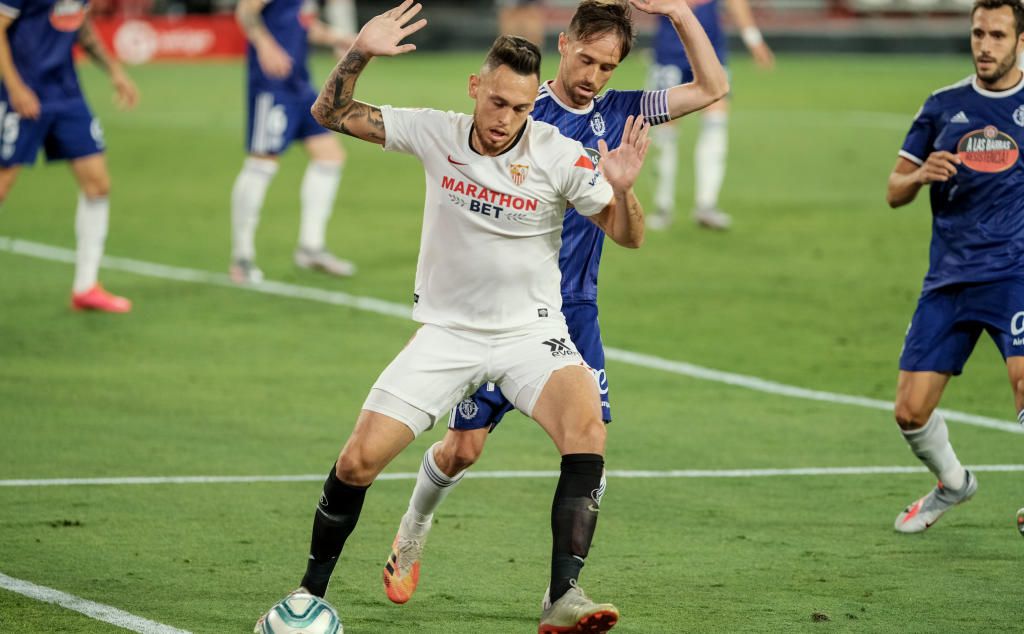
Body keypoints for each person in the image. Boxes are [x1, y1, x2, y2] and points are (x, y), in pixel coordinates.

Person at [255, 2, 653, 632]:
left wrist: (624, 189)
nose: (505, 120)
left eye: (519, 108)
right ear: (475, 88)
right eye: (497, 103)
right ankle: (308, 595)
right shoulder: (435, 132)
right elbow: (329, 113)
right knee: (357, 462)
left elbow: (628, 235)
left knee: (588, 432)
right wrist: (359, 52)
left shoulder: (558, 153)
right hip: (448, 336)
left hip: (533, 335)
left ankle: (563, 596)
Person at [381, 0, 728, 612]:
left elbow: (712, 87)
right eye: (586, 59)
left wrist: (677, 11)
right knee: (463, 449)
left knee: (588, 444)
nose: (594, 76)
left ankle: (562, 590)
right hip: (498, 312)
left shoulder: (620, 113)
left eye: (608, 67)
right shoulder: (522, 113)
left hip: (576, 311)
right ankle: (413, 529)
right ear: (563, 44)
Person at [886, 0, 1024, 534]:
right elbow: (894, 190)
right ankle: (953, 483)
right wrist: (920, 176)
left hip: (1014, 272)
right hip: (949, 278)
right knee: (909, 411)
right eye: (978, 33)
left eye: (997, 35)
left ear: (1020, 42)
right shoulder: (942, 106)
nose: (985, 46)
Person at [0, 0, 138, 312]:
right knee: (2, 185)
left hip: (66, 94)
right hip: (23, 93)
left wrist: (114, 71)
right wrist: (15, 87)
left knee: (98, 185)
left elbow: (82, 26)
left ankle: (86, 287)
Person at [230, 0, 357, 283]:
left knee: (330, 156)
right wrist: (265, 45)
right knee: (262, 163)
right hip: (271, 83)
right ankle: (241, 258)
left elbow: (302, 22)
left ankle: (310, 248)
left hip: (299, 82)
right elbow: (245, 10)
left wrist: (338, 38)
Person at [645, 0, 774, 230]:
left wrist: (753, 39)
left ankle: (707, 204)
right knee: (665, 127)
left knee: (716, 121)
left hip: (710, 52)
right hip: (670, 52)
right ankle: (663, 205)